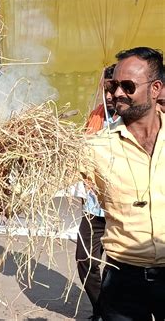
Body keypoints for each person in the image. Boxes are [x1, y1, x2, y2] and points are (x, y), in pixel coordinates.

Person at [83, 47, 165, 320]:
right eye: (114, 85)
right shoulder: (96, 147)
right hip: (122, 281)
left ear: (155, 89)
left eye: (128, 86)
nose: (117, 93)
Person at [76, 64, 117, 321]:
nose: (112, 95)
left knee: (118, 268)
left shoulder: (138, 121)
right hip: (93, 208)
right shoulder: (96, 116)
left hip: (121, 208)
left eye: (117, 89)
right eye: (108, 89)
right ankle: (102, 309)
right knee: (84, 260)